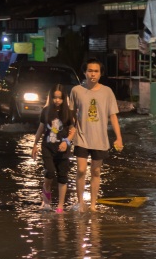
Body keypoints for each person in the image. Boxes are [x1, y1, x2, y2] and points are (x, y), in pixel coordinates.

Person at [70, 58, 123, 211]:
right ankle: (80, 202)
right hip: (81, 137)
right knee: (80, 170)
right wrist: (70, 132)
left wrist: (119, 137)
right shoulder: (76, 91)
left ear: (101, 74)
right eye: (90, 71)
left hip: (100, 139)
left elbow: (113, 116)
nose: (92, 74)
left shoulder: (107, 92)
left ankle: (93, 204)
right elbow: (72, 114)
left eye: (96, 71)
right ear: (84, 72)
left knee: (96, 171)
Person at [31, 85, 76, 212]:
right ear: (50, 98)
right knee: (49, 172)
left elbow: (73, 130)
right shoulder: (46, 111)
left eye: (60, 98)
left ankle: (60, 206)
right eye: (54, 97)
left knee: (62, 176)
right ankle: (46, 200)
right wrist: (35, 145)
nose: (57, 100)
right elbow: (41, 128)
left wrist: (66, 142)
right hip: (47, 147)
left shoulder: (69, 112)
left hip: (63, 149)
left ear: (64, 98)